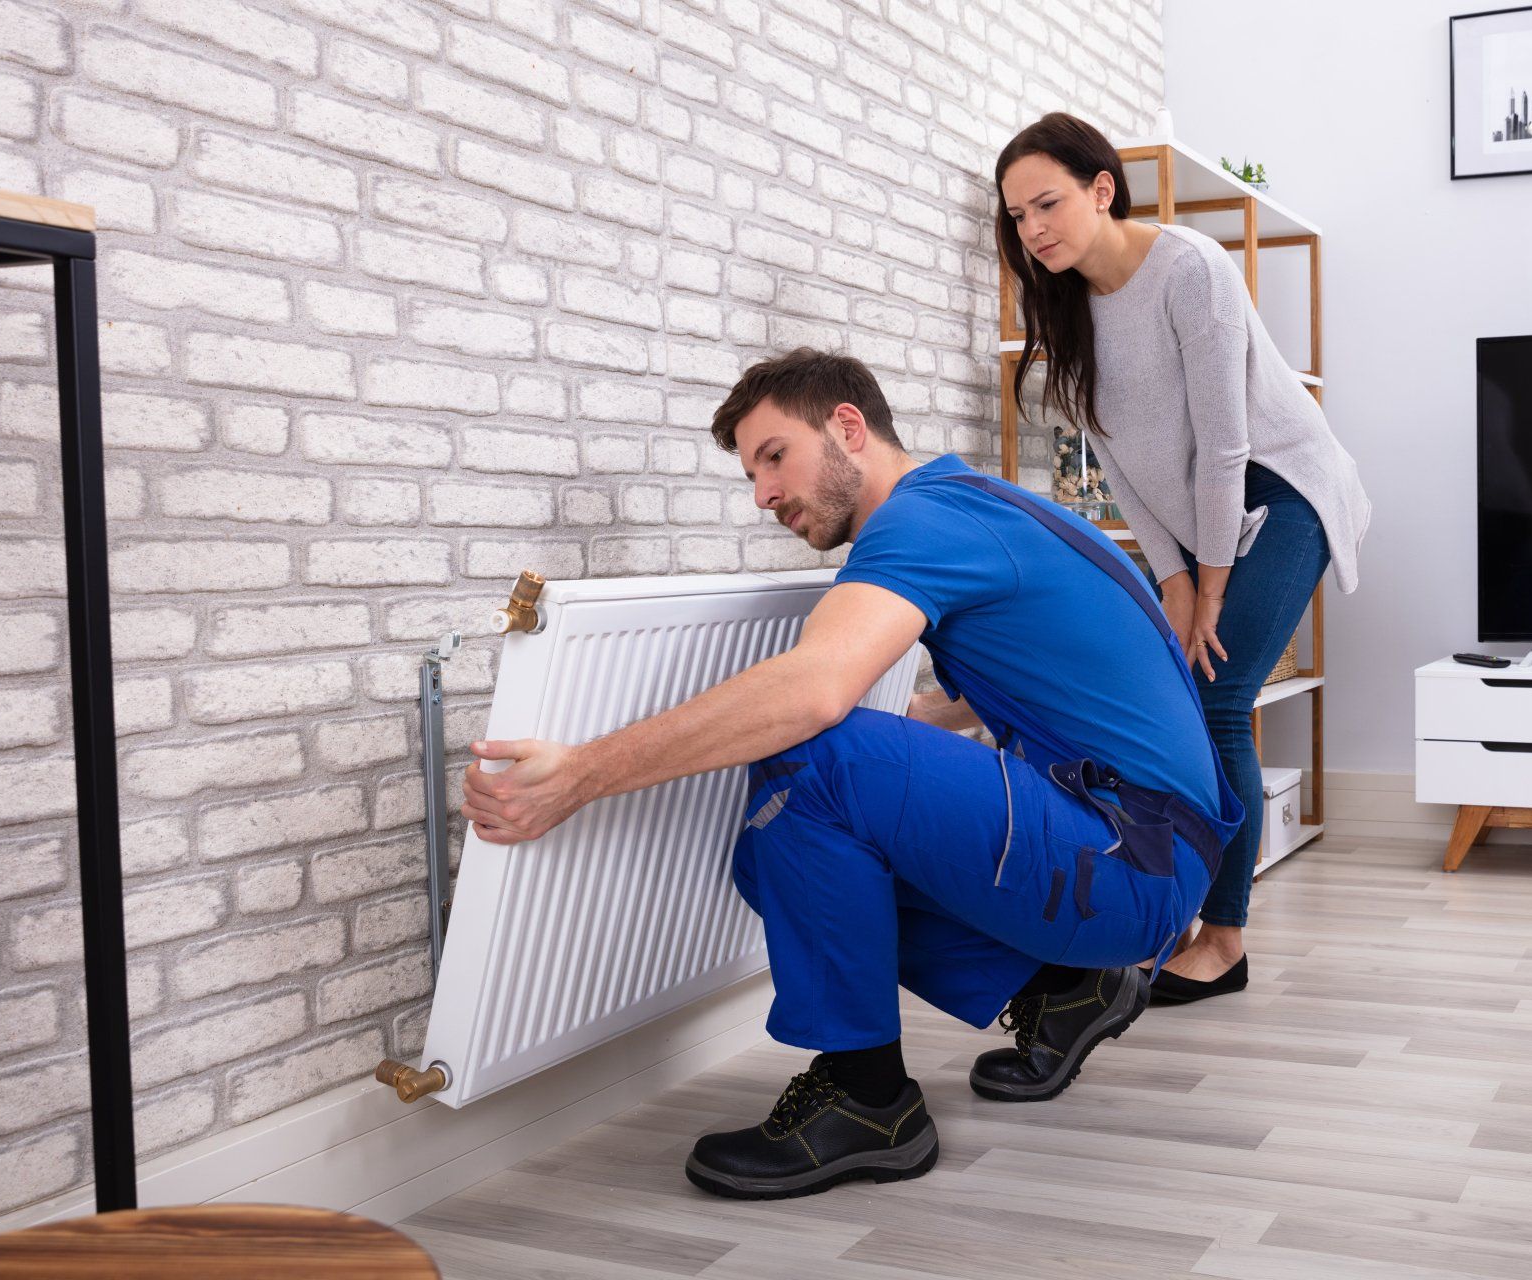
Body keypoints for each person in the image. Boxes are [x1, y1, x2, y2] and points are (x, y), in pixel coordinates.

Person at [459, 349, 1242, 1200]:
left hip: (1133, 860)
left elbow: (815, 694)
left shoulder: (922, 523)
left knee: (814, 762)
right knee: (775, 847)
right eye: (751, 472)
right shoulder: (974, 507)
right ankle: (1061, 990)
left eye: (773, 456)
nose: (762, 493)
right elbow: (1020, 698)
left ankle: (870, 1103)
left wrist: (580, 773)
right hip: (1147, 846)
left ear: (847, 427)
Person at [995, 113, 1370, 1006]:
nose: (1032, 228)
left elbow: (1226, 442)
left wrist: (1210, 585)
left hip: (1283, 491)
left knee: (1220, 694)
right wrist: (1172, 580)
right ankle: (1192, 917)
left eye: (1046, 203)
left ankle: (1226, 940)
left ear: (1101, 188)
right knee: (1190, 696)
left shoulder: (1191, 268)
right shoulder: (1066, 307)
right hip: (1204, 522)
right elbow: (1116, 460)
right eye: (1015, 216)